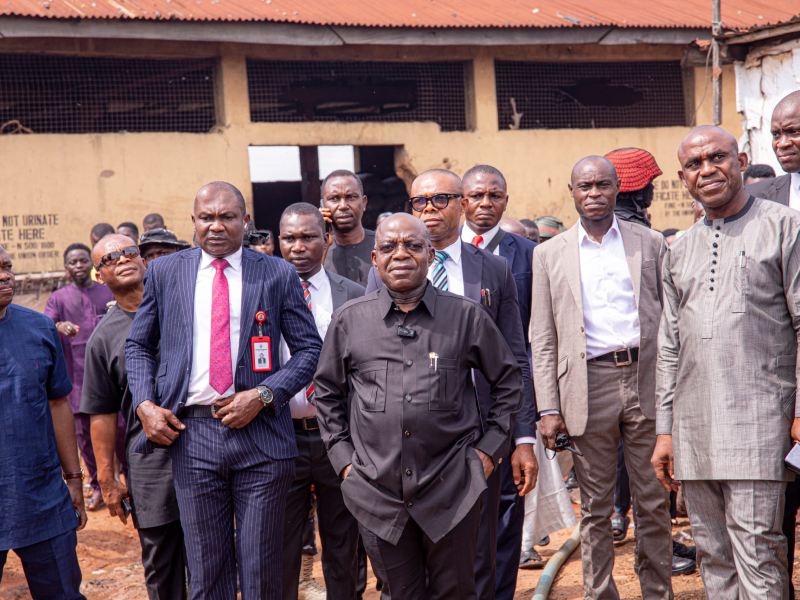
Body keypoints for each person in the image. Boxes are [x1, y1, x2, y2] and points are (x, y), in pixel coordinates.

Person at [126, 181, 322, 599]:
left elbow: (310, 350)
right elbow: (138, 345)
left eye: (227, 217)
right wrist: (144, 403)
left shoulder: (277, 273)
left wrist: (264, 394)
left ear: (245, 221)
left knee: (260, 571)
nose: (216, 226)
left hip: (261, 436)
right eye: (207, 217)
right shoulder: (165, 272)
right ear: (193, 221)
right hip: (191, 435)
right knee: (206, 570)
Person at [315, 213, 524, 599]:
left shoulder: (465, 316)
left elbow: (509, 382)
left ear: (430, 255)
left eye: (413, 246)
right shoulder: (349, 321)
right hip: (376, 492)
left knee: (455, 592)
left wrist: (487, 452)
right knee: (398, 593)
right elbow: (327, 392)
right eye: (389, 247)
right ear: (375, 258)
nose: (401, 254)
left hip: (452, 488)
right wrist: (345, 462)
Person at [366, 169, 538, 600]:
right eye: (419, 202)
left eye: (439, 199)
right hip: (405, 442)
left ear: (462, 204)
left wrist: (521, 437)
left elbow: (514, 358)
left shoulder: (493, 270)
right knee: (409, 558)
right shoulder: (385, 270)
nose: (428, 209)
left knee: (476, 554)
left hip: (478, 439)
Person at [653, 125, 800, 598]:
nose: (707, 170)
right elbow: (670, 344)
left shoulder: (785, 226)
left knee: (758, 552)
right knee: (713, 557)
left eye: (717, 157)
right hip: (694, 429)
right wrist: (665, 430)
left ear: (740, 161)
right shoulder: (679, 249)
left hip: (761, 422)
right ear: (683, 177)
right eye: (694, 165)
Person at [532, 156, 672, 599]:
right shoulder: (549, 253)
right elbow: (543, 336)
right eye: (585, 186)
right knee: (595, 506)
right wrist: (548, 407)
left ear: (616, 189)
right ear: (572, 192)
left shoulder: (649, 243)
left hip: (646, 377)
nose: (593, 193)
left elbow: (671, 320)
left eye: (602, 185)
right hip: (586, 385)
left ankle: (657, 592)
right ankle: (599, 594)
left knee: (654, 500)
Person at [82, 234, 188, 600]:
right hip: (150, 466)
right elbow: (101, 413)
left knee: (212, 558)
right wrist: (107, 480)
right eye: (110, 258)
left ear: (143, 261)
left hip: (203, 452)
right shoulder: (103, 338)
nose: (123, 259)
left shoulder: (182, 310)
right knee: (163, 566)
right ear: (100, 276)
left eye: (129, 252)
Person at [277, 203, 364, 600]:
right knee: (282, 546)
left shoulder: (353, 295)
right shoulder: (261, 293)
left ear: (327, 238)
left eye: (308, 237)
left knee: (343, 543)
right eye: (289, 238)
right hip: (280, 435)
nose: (298, 247)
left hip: (338, 437)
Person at [460, 164, 537, 599]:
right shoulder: (434, 254)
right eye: (477, 195)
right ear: (462, 201)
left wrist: (527, 424)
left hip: (504, 402)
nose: (485, 203)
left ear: (506, 200)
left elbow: (529, 342)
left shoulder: (528, 254)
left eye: (495, 195)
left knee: (507, 507)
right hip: (449, 406)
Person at [0, 243, 88, 600]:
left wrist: (74, 479)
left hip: (42, 499)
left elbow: (58, 404)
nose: (5, 276)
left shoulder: (39, 328)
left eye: (7, 266)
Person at [746, 89, 800, 599]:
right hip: (774, 381)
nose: (783, 142)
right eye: (777, 134)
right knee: (774, 513)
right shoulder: (761, 199)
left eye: (794, 131)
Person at [45, 242, 117, 512]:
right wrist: (59, 325)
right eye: (73, 262)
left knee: (122, 432)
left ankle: (130, 483)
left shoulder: (106, 291)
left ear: (91, 264)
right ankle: (97, 486)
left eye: (83, 260)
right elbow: (46, 324)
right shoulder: (59, 298)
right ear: (66, 268)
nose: (78, 266)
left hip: (111, 379)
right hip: (77, 380)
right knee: (84, 438)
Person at [321, 170, 374, 286]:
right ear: (323, 205)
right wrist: (317, 231)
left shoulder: (383, 246)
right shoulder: (317, 252)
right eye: (334, 198)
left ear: (364, 203)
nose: (343, 206)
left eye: (351, 197)